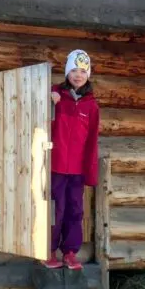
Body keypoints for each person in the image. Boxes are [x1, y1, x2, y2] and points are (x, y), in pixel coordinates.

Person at [45, 49, 100, 270]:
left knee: (75, 211)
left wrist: (90, 171)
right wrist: (49, 102)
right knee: (54, 210)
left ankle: (69, 253)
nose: (78, 75)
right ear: (67, 72)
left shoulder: (91, 106)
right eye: (74, 70)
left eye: (83, 71)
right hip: (54, 167)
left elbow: (92, 141)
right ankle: (48, 251)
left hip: (76, 170)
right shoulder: (53, 95)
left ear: (88, 75)